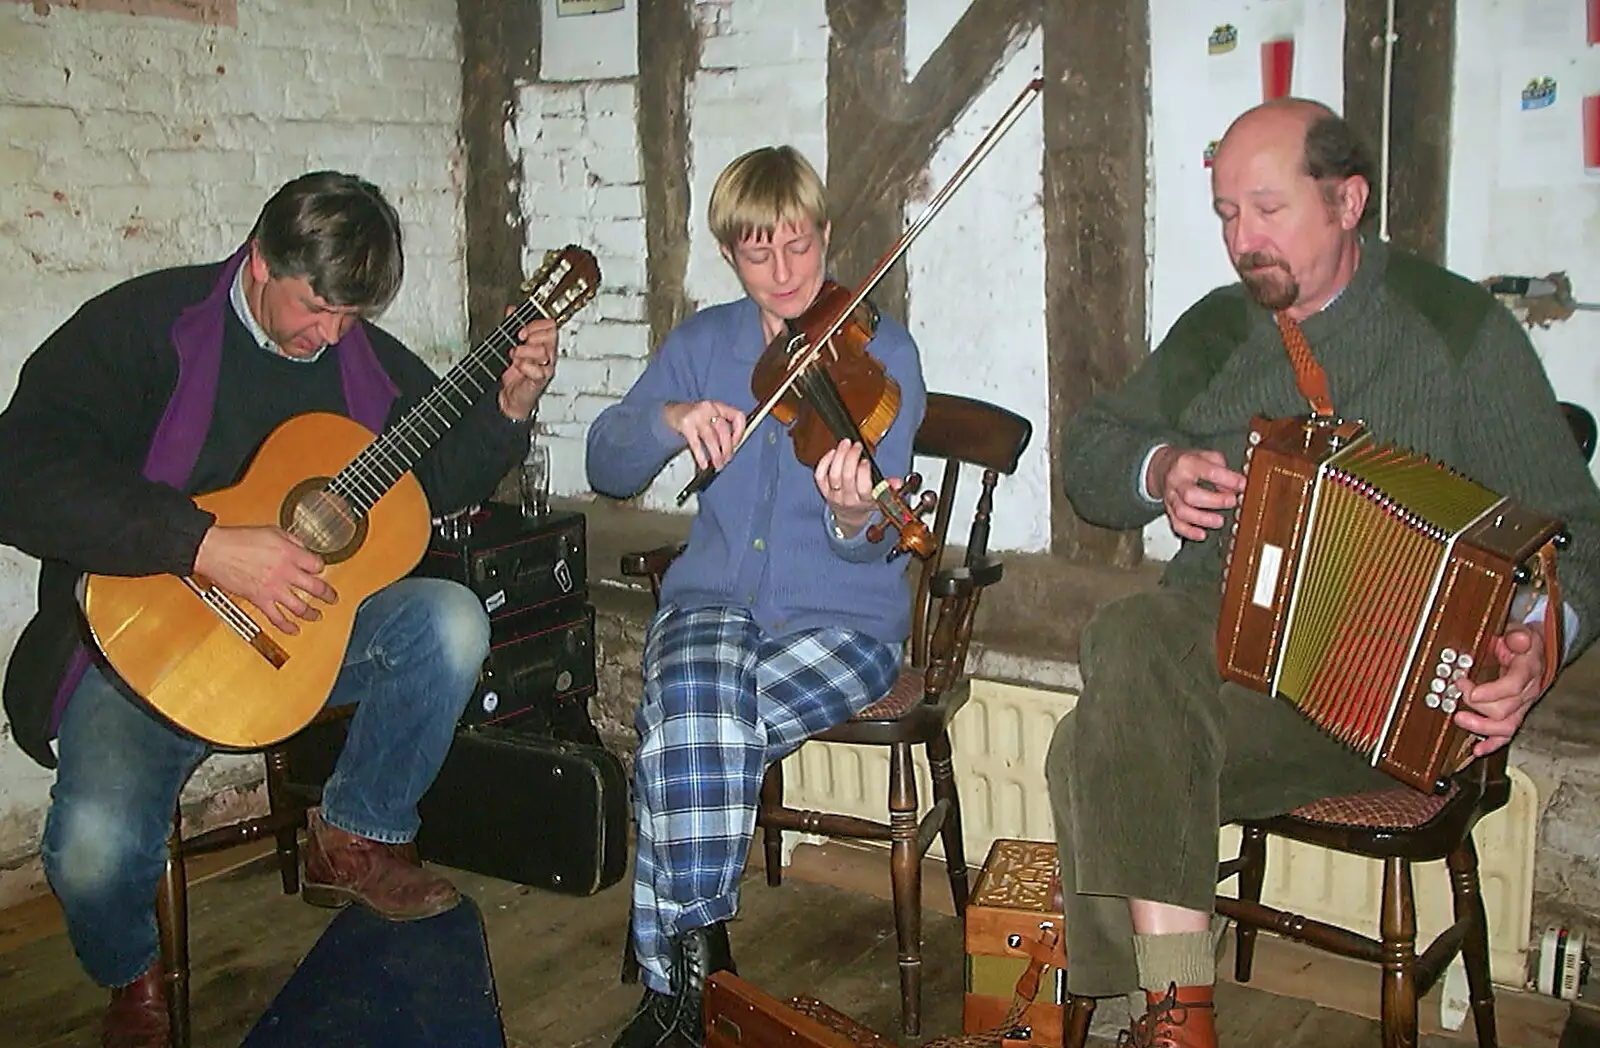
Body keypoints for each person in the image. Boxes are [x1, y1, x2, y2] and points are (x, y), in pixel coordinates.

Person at [1046, 99, 1600, 1048]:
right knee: (1132, 632)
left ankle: (1151, 1017)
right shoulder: (1219, 329)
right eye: (1225, 214)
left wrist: (1542, 641)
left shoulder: (1460, 332)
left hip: (1381, 700)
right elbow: (1091, 452)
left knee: (1091, 747)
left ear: (1349, 200)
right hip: (1217, 658)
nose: (1241, 240)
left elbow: (1581, 530)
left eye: (1266, 210)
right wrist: (1161, 471)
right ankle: (1178, 1019)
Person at [0, 171, 558, 1048]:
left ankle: (356, 835)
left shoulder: (356, 355)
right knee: (93, 852)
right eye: (315, 310)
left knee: (450, 619)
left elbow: (427, 487)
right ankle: (130, 974)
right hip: (150, 649)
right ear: (260, 260)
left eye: (350, 318)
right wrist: (203, 544)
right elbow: (19, 477)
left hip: (301, 642)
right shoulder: (147, 326)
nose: (328, 337)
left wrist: (509, 410)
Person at [587, 145, 926, 1048]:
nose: (783, 275)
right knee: (697, 717)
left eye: (800, 248)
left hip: (847, 624)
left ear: (826, 234)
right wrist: (666, 420)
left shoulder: (881, 354)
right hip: (709, 602)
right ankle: (696, 982)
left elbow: (876, 544)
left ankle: (674, 993)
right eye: (756, 254)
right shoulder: (704, 345)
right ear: (729, 256)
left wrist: (855, 516)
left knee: (683, 734)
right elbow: (605, 460)